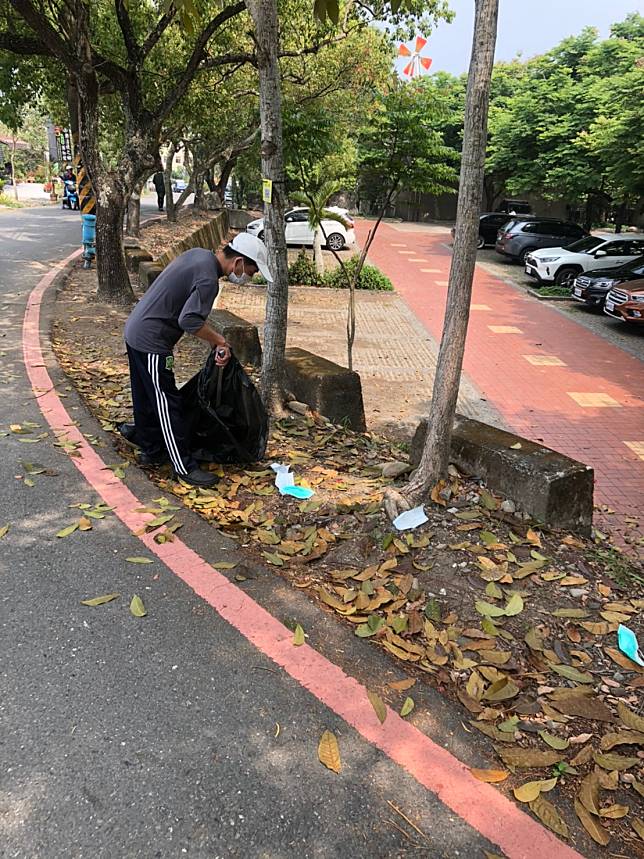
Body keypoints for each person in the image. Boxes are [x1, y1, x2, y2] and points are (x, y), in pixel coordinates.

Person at [120, 233, 272, 487]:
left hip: (136, 330)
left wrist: (215, 342)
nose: (249, 277)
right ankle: (183, 466)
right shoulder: (208, 281)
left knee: (147, 396)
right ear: (238, 263)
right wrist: (220, 341)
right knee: (167, 404)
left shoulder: (198, 255)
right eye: (251, 271)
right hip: (152, 341)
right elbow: (189, 320)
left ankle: (151, 450)